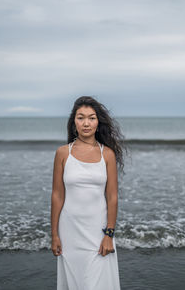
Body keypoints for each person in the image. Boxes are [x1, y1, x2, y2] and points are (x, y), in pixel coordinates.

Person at [51, 96, 127, 289]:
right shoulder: (62, 153)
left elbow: (112, 197)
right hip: (69, 231)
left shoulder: (107, 154)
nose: (86, 123)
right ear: (73, 121)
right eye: (80, 117)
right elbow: (57, 196)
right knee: (75, 281)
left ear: (97, 122)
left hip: (98, 230)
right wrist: (54, 235)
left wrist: (109, 234)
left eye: (91, 118)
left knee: (96, 283)